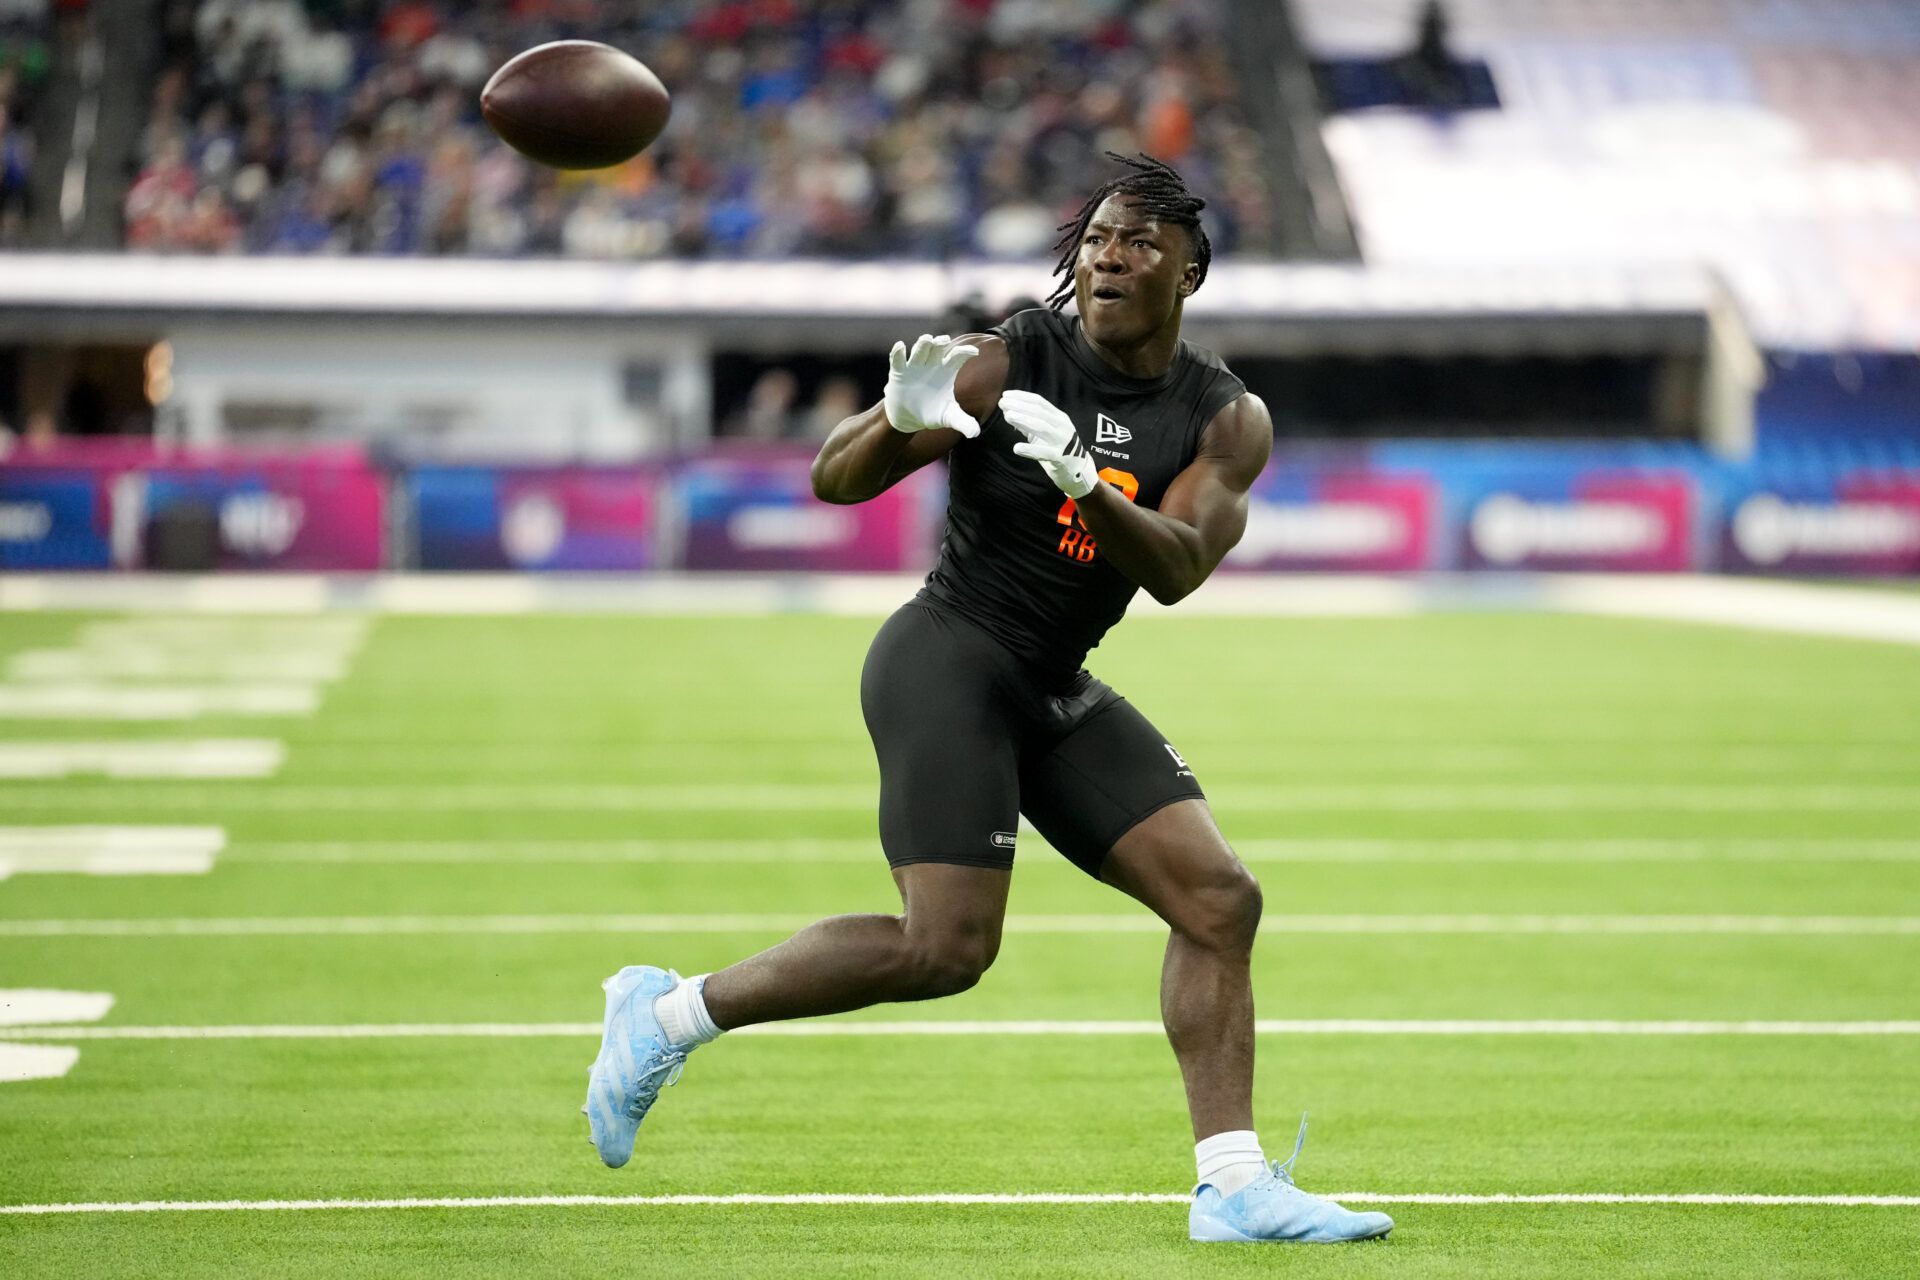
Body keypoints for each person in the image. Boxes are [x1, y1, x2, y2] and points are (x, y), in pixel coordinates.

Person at [583, 154, 1392, 1245]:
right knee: (946, 949)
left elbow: (1179, 564)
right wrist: (896, 416)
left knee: (1219, 899)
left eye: (1140, 243)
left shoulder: (1223, 414)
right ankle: (670, 1012)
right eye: (1099, 237)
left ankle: (1233, 1186)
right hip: (949, 658)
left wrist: (1087, 486)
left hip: (1052, 683)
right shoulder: (1011, 357)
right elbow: (836, 478)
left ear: (1189, 271)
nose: (1110, 254)